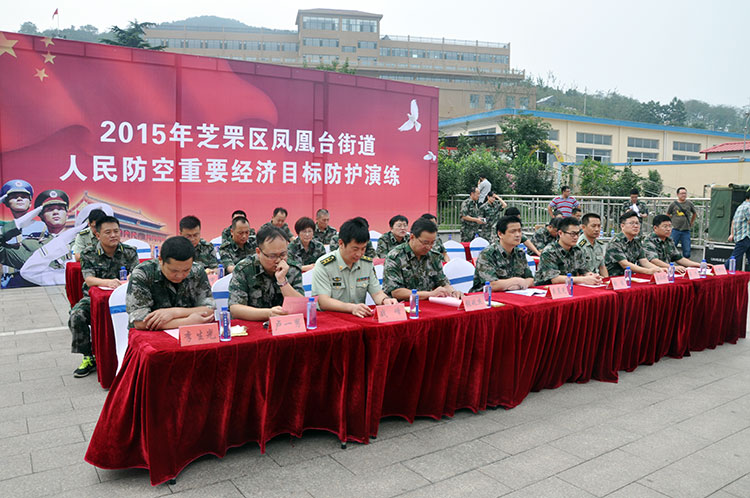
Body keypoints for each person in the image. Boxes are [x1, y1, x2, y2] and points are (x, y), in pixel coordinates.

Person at [68, 216, 138, 378]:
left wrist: (130, 278)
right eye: (108, 232)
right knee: (76, 316)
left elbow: (136, 272)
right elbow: (89, 279)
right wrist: (107, 282)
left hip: (125, 297)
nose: (113, 235)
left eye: (116, 231)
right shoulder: (88, 253)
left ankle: (132, 352)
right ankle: (88, 356)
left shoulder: (129, 252)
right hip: (95, 298)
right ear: (97, 235)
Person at [311, 217, 397, 317]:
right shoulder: (324, 265)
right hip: (332, 319)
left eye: (363, 249)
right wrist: (351, 308)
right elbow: (323, 301)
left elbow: (377, 293)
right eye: (355, 249)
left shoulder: (366, 264)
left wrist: (385, 300)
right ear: (341, 243)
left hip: (358, 318)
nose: (359, 254)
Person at [126, 236, 215, 330]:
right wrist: (188, 322)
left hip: (188, 334)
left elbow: (209, 310)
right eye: (174, 271)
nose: (180, 275)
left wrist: (174, 312)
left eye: (186, 270)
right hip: (150, 335)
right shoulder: (143, 273)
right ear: (161, 260)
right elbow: (140, 322)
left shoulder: (197, 270)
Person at [228, 225, 304, 321]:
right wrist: (269, 313)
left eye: (283, 254)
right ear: (259, 252)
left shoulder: (292, 269)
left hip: (285, 327)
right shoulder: (244, 269)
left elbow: (301, 307)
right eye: (272, 256)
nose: (278, 260)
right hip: (253, 326)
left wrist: (283, 281)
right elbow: (235, 309)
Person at [383, 218, 462, 300]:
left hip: (427, 303)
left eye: (432, 243)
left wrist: (453, 292)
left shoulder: (433, 255)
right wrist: (430, 294)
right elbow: (396, 292)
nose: (428, 247)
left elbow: (442, 282)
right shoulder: (395, 257)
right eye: (425, 243)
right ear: (412, 237)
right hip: (403, 306)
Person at [470, 215, 534, 292]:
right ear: (500, 234)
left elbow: (531, 279)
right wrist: (515, 281)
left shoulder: (520, 253)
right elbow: (492, 284)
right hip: (488, 298)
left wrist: (523, 283)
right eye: (513, 231)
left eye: (520, 231)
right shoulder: (487, 254)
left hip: (513, 294)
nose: (518, 235)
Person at [535, 217, 603, 286]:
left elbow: (583, 270)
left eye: (578, 234)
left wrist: (591, 276)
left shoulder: (577, 250)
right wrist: (583, 279)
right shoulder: (549, 252)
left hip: (569, 287)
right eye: (572, 234)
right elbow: (554, 279)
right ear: (560, 233)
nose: (576, 237)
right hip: (546, 290)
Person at [604, 211, 665, 276]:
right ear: (622, 226)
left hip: (630, 278)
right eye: (632, 223)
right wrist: (648, 271)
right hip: (615, 279)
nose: (635, 226)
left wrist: (659, 269)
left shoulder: (637, 241)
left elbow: (644, 261)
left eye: (637, 223)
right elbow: (625, 264)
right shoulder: (615, 242)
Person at [667, 187, 697, 258]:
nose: (683, 195)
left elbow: (694, 213)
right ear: (677, 194)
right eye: (682, 193)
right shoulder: (673, 204)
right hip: (675, 229)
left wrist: (691, 222)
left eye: (685, 193)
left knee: (687, 252)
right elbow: (668, 214)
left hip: (686, 230)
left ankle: (686, 266)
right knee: (671, 250)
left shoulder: (689, 203)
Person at [728, 190, 750, 268]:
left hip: (740, 236)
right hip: (745, 236)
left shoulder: (741, 206)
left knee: (735, 257)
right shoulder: (748, 207)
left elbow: (733, 221)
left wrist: (732, 234)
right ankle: (721, 271)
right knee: (734, 258)